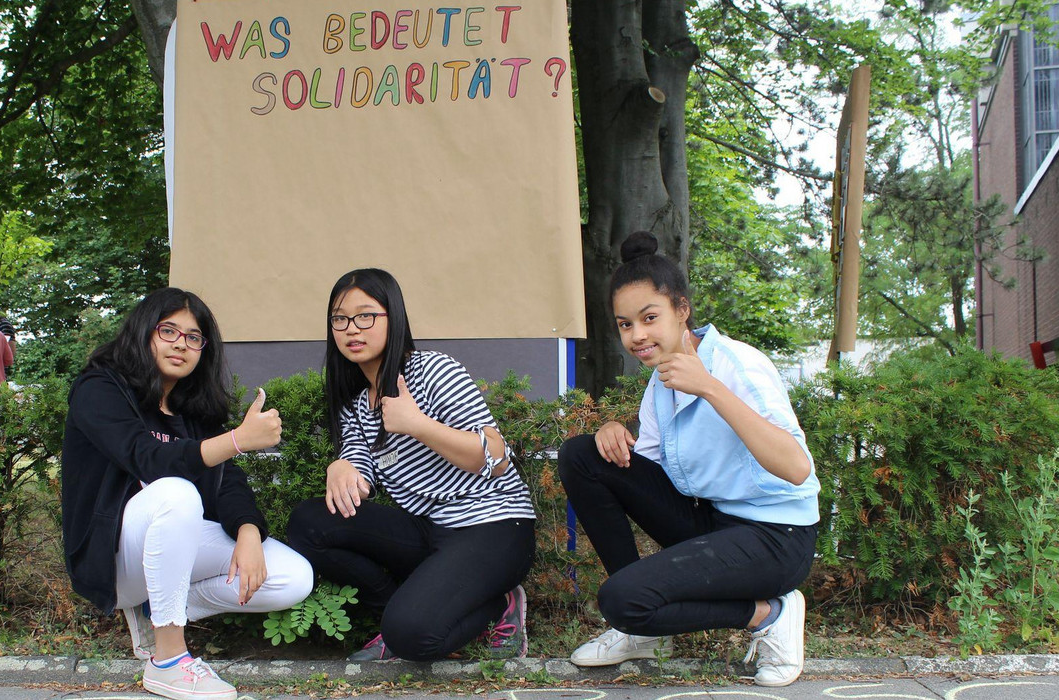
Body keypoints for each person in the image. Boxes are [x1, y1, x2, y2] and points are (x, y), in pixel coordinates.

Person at [558, 232, 819, 687]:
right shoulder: (660, 383)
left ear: (683, 310)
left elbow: (797, 468)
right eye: (624, 325)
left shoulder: (738, 366)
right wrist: (613, 436)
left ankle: (770, 613)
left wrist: (710, 389)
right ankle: (640, 633)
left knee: (622, 600)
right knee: (583, 454)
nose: (637, 336)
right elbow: (653, 476)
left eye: (649, 318)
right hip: (716, 522)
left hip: (778, 538)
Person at [61, 287, 314, 700]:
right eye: (169, 331)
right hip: (113, 557)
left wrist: (249, 533)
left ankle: (155, 613)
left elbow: (228, 481)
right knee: (176, 493)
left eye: (194, 337)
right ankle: (168, 661)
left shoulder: (191, 410)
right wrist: (237, 439)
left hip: (170, 547)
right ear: (144, 333)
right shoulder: (99, 388)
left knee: (291, 577)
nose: (182, 343)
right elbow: (147, 459)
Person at [286, 268, 534, 662]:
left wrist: (418, 425)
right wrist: (342, 468)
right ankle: (394, 615)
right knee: (309, 522)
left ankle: (496, 607)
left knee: (414, 636)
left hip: (493, 526)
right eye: (340, 318)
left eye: (366, 315)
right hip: (429, 531)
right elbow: (361, 474)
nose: (352, 328)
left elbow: (497, 459)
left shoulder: (433, 370)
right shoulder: (356, 405)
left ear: (393, 317)